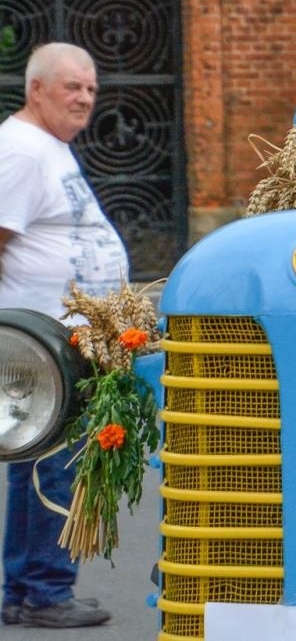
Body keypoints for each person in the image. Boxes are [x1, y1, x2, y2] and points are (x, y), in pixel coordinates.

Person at [0, 43, 125, 629]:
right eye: (72, 87)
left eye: (92, 90)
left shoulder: (47, 148)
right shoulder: (23, 150)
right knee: (54, 467)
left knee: (38, 467)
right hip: (42, 345)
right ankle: (45, 591)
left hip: (62, 342)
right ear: (37, 89)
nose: (84, 99)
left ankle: (30, 588)